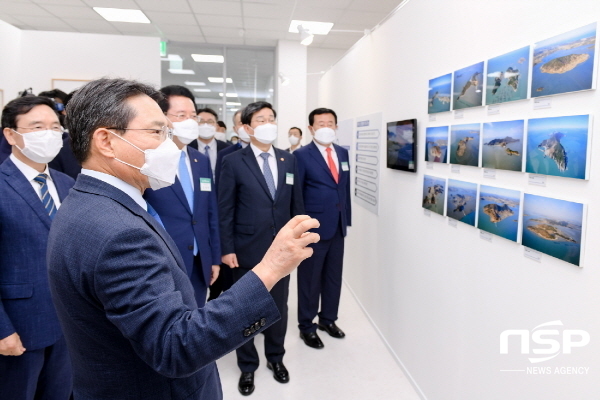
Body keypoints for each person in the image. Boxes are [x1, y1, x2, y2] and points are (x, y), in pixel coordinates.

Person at [46, 78, 319, 400]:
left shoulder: (90, 203)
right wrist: (272, 267)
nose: (169, 143)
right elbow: (176, 347)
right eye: (156, 132)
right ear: (106, 141)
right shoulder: (119, 234)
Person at [218, 101, 304, 395]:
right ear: (246, 127)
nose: (268, 123)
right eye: (260, 119)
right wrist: (226, 248)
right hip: (245, 249)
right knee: (245, 309)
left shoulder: (288, 160)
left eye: (271, 118)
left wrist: (299, 241)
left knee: (278, 306)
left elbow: (296, 206)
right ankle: (248, 366)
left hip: (282, 251)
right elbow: (225, 208)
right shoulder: (232, 161)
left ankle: (276, 358)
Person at [0, 95, 75, 399]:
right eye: (37, 127)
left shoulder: (67, 183)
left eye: (55, 126)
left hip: (70, 328)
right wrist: (2, 329)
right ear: (10, 134)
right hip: (20, 327)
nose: (48, 133)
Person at [144, 85, 220, 307]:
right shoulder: (149, 160)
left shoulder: (200, 160)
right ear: (162, 118)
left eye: (193, 116)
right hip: (164, 261)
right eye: (181, 116)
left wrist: (214, 258)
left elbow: (209, 212)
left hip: (200, 259)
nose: (190, 121)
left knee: (197, 318)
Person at [294, 107, 351, 349]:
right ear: (311, 128)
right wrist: (300, 227)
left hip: (337, 225)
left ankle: (328, 319)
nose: (326, 127)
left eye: (330, 123)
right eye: (321, 123)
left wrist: (346, 218)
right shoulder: (301, 155)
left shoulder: (342, 153)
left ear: (336, 127)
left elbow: (344, 188)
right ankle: (306, 326)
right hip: (313, 227)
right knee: (310, 278)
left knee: (333, 277)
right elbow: (296, 194)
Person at [208, 108, 246, 302]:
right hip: (231, 227)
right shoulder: (226, 154)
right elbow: (222, 197)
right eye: (241, 122)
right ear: (236, 127)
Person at [189, 107, 229, 178]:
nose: (205, 125)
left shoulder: (227, 149)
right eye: (201, 121)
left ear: (216, 126)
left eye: (210, 122)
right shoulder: (188, 147)